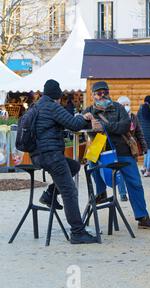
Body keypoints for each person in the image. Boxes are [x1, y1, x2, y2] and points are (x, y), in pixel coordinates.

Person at [83, 81, 150, 230]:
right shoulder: (88, 111)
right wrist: (84, 119)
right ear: (93, 95)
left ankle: (142, 217)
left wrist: (104, 126)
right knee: (91, 164)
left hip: (123, 151)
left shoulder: (119, 108)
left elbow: (125, 125)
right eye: (99, 93)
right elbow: (79, 125)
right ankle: (101, 193)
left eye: (105, 92)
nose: (103, 95)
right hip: (99, 151)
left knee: (135, 183)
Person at [31, 79, 97, 244]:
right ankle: (77, 232)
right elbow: (74, 125)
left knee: (73, 166)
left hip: (38, 156)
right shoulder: (53, 107)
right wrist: (84, 117)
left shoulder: (36, 106)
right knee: (70, 191)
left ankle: (50, 194)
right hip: (51, 155)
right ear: (57, 96)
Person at [116, 95, 148, 201]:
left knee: (132, 172)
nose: (125, 106)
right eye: (123, 105)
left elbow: (139, 132)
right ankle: (122, 193)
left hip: (132, 149)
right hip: (120, 148)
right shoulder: (116, 117)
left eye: (127, 104)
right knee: (120, 172)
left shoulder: (134, 117)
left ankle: (132, 193)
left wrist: (144, 146)